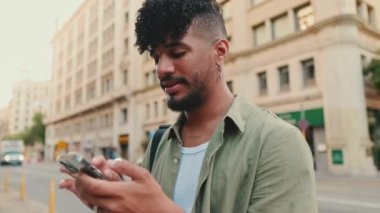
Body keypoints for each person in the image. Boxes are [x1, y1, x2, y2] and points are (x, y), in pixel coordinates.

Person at [59, 0, 317, 212]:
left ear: (220, 51)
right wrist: (113, 200)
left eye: (177, 53)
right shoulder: (160, 144)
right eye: (156, 57)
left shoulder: (277, 143)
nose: (162, 69)